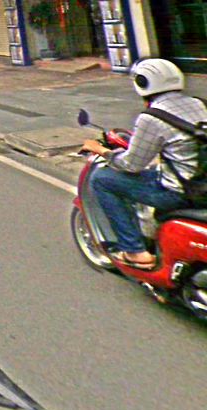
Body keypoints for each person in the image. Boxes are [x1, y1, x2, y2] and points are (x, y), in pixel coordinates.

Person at [80, 58, 207, 269]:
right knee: (156, 170)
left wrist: (102, 150)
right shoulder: (200, 104)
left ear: (142, 83)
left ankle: (134, 251)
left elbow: (132, 165)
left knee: (102, 179)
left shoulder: (152, 117)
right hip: (200, 183)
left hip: (180, 193)